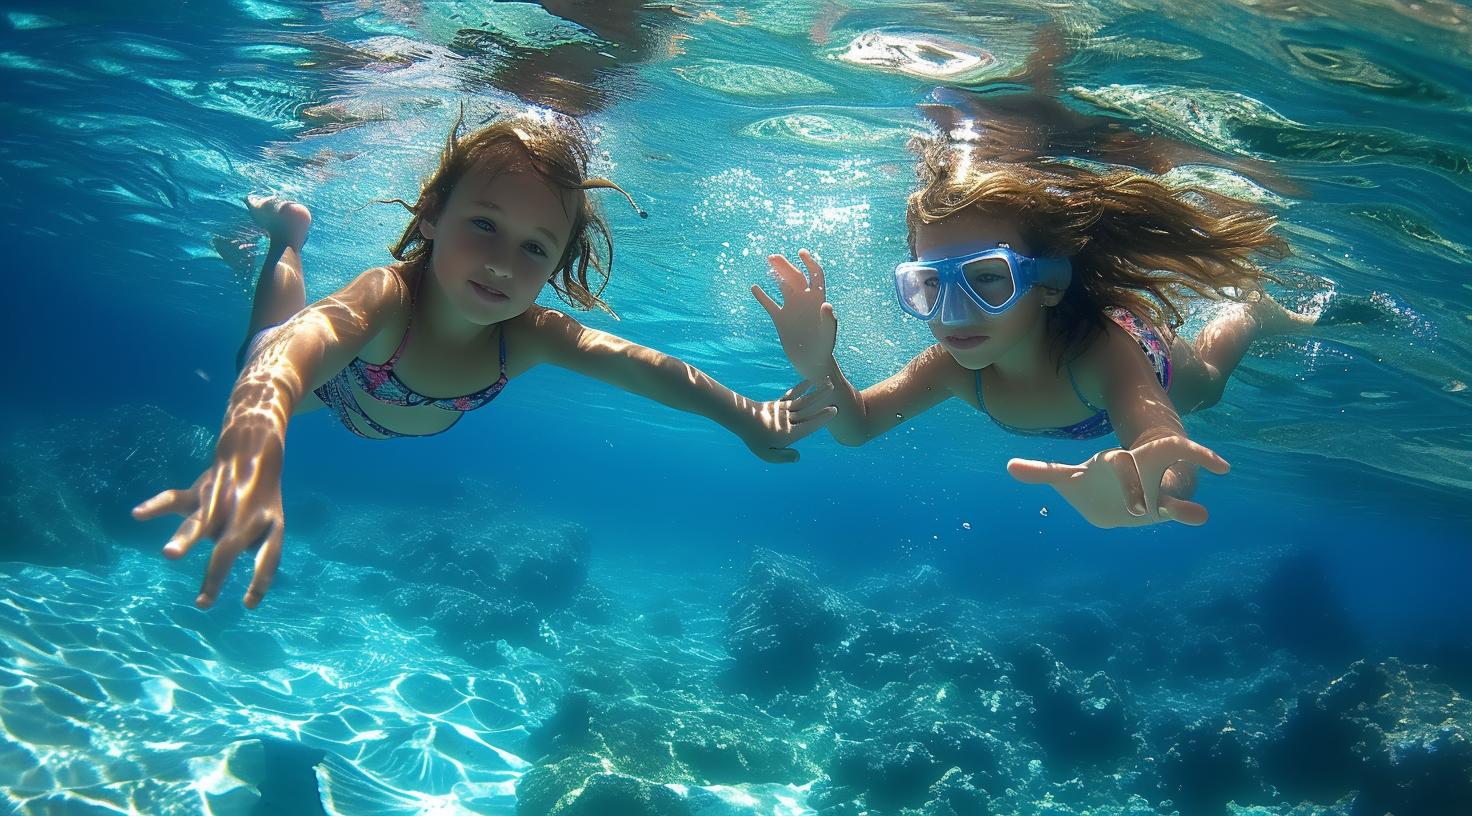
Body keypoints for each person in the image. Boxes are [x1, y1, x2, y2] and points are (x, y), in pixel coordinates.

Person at [135, 112, 835, 609]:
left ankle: (287, 239)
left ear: (558, 263)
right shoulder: (388, 298)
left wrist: (745, 415)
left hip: (387, 408)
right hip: (338, 391)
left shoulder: (527, 333)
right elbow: (286, 359)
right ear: (434, 215)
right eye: (484, 225)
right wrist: (253, 445)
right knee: (260, 345)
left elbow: (638, 365)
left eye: (535, 247)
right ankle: (286, 240)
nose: (504, 264)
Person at [754, 128, 1336, 530]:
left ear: (1049, 282)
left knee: (1207, 385)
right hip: (1089, 401)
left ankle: (1251, 312)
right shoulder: (953, 367)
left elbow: (1165, 445)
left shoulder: (1101, 354)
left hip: (1152, 355)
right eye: (927, 286)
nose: (954, 314)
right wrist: (816, 365)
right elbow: (857, 427)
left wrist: (1150, 489)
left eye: (989, 280)